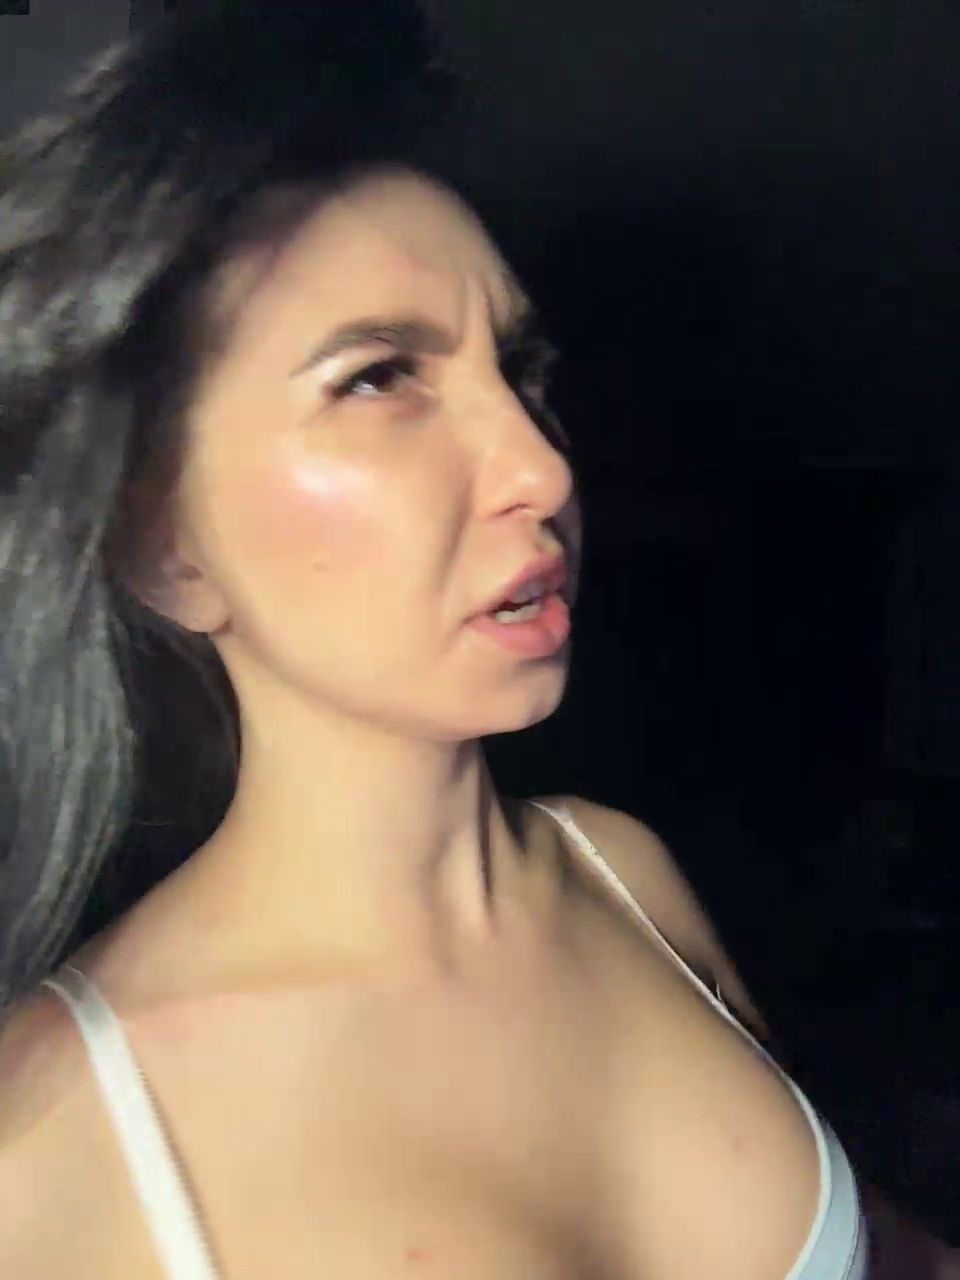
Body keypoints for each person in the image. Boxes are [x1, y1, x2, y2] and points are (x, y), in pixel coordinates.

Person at [0, 4, 954, 1277]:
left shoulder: (621, 874)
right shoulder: (52, 1133)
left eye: (520, 370)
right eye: (378, 377)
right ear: (165, 546)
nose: (540, 468)